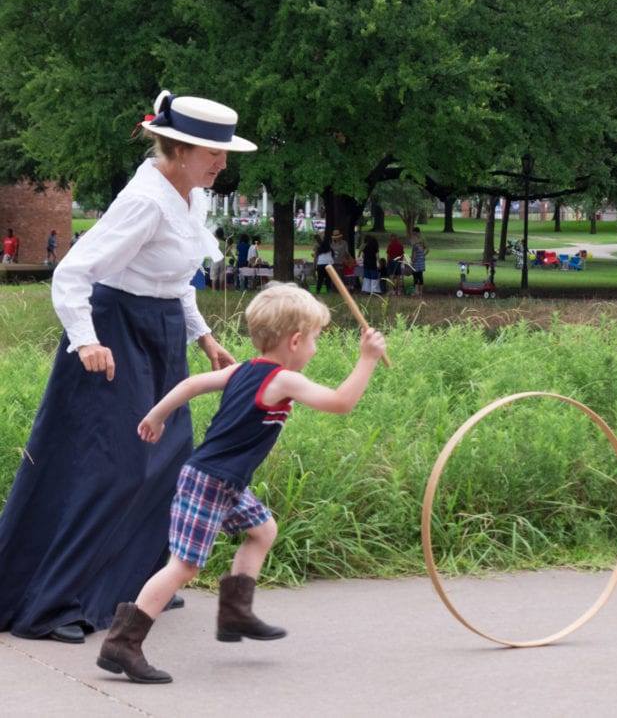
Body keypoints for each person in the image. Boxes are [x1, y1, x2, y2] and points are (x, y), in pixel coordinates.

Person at [0, 89, 256, 644]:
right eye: (213, 153)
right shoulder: (145, 200)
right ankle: (51, 603)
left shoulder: (191, 197)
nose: (222, 163)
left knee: (168, 457)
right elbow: (73, 274)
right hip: (113, 334)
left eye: (223, 153)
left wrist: (205, 337)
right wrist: (86, 340)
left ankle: (139, 584)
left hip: (161, 333)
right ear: (178, 147)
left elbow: (175, 279)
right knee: (113, 466)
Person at [96, 283, 386, 684]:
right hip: (211, 480)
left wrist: (157, 415)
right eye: (315, 341)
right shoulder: (282, 380)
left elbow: (191, 385)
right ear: (296, 340)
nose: (315, 349)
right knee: (183, 566)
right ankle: (122, 643)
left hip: (224, 482)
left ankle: (234, 613)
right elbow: (341, 402)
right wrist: (367, 358)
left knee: (263, 530)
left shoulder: (245, 369)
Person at [410, 227, 428, 297]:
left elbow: (414, 255)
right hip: (421, 262)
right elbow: (426, 249)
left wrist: (411, 262)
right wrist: (423, 256)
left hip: (416, 263)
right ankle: (420, 292)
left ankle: (416, 291)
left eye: (414, 234)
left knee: (415, 276)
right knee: (420, 276)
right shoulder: (421, 246)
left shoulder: (415, 246)